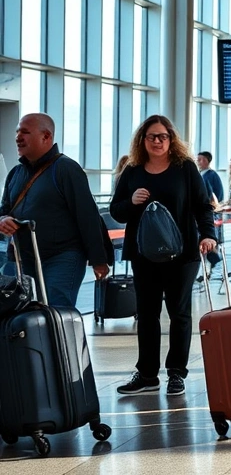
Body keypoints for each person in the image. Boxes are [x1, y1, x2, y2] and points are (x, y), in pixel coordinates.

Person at [109, 115, 217, 395]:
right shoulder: (132, 172)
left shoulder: (185, 169)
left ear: (171, 139)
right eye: (151, 136)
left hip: (182, 254)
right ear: (142, 141)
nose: (157, 141)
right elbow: (116, 210)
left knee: (179, 313)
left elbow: (202, 206)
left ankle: (176, 373)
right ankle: (147, 374)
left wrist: (208, 234)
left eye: (162, 136)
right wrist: (131, 202)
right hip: (144, 254)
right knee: (147, 314)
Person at [0, 113, 112, 309]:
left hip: (62, 256)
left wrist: (99, 260)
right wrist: (3, 219)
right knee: (15, 310)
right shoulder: (15, 174)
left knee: (56, 310)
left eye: (25, 132)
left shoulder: (66, 169)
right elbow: (4, 210)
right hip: (22, 257)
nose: (18, 137)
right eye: (17, 132)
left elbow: (87, 217)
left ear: (46, 137)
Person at [197, 151, 224, 271]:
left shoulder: (212, 175)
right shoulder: (198, 174)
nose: (199, 162)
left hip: (209, 212)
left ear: (207, 160)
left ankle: (214, 262)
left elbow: (218, 193)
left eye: (201, 159)